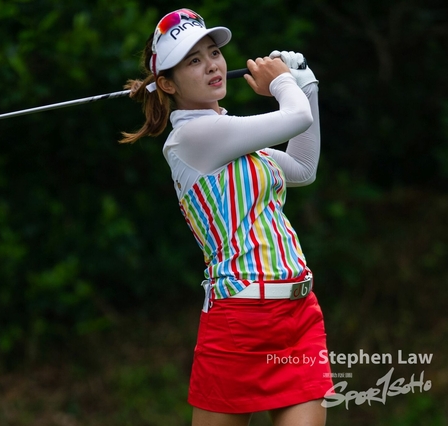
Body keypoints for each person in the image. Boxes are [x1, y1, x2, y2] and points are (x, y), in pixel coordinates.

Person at [120, 8, 333, 426]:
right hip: (240, 320)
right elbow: (295, 118)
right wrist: (283, 82)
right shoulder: (192, 138)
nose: (212, 65)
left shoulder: (232, 134)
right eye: (193, 61)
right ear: (167, 83)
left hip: (299, 314)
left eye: (213, 53)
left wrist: (305, 84)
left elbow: (303, 169)